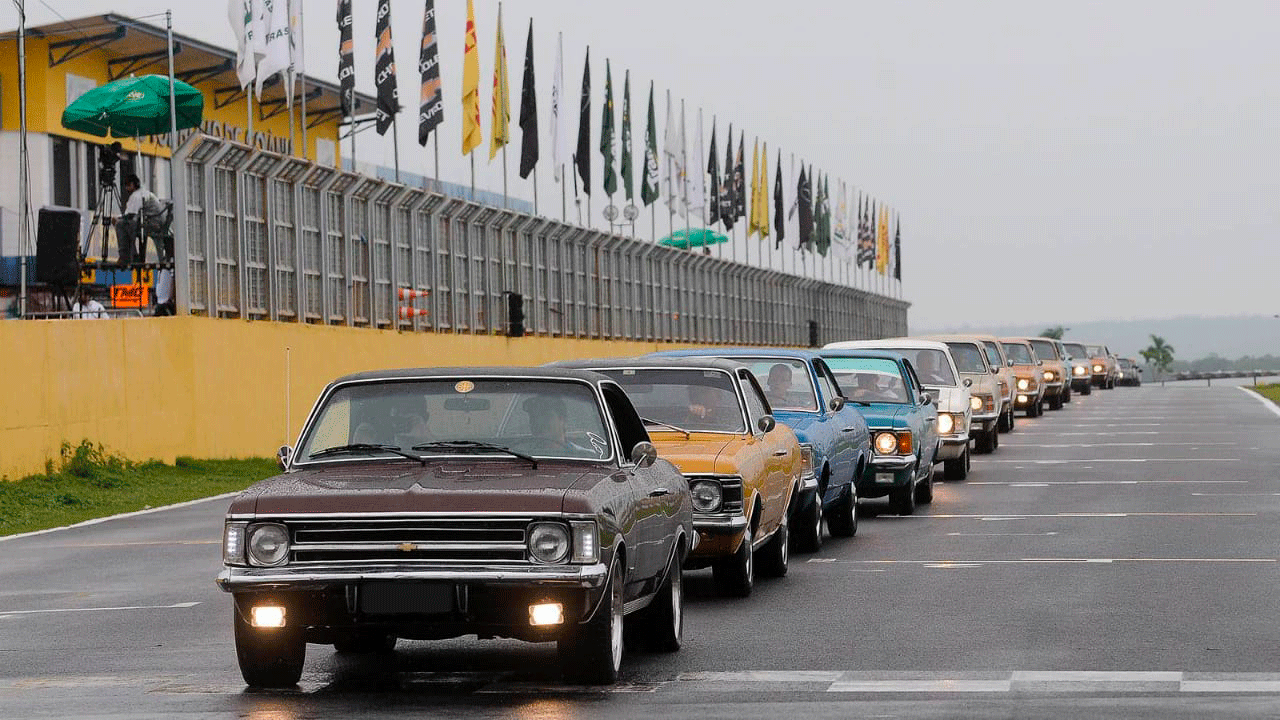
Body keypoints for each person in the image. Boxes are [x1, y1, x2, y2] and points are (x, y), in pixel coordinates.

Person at [116, 174, 166, 265]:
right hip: (156, 222)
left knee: (120, 224)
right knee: (127, 224)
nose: (126, 189)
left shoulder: (136, 195)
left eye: (127, 186)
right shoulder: (144, 193)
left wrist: (117, 219)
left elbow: (131, 214)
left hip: (151, 224)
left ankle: (125, 256)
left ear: (131, 185)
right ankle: (133, 253)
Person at [522, 396, 590, 455]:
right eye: (534, 417)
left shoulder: (586, 456)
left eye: (546, 416)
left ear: (563, 421)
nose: (539, 422)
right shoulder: (520, 454)